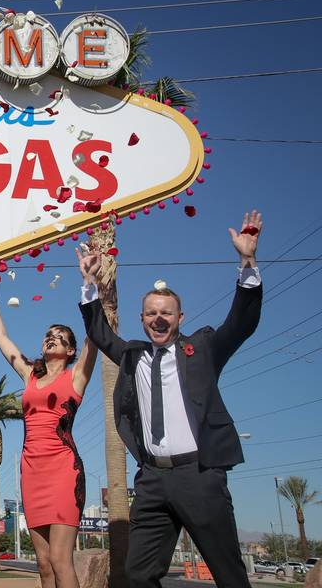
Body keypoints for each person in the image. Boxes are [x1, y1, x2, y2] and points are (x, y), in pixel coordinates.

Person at [78, 210, 263, 588]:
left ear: (180, 317)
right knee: (139, 573)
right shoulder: (132, 354)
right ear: (142, 318)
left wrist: (247, 262)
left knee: (229, 574)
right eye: (151, 313)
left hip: (199, 475)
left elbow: (241, 324)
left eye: (166, 313)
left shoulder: (204, 347)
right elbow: (99, 332)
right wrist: (89, 283)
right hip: (152, 479)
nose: (158, 319)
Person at [0, 279, 97, 588]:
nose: (51, 339)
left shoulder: (77, 377)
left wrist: (90, 288)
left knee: (60, 560)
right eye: (48, 336)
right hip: (32, 472)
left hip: (63, 471)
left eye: (59, 338)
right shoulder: (30, 374)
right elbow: (1, 338)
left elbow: (94, 337)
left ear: (70, 350)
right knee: (43, 565)